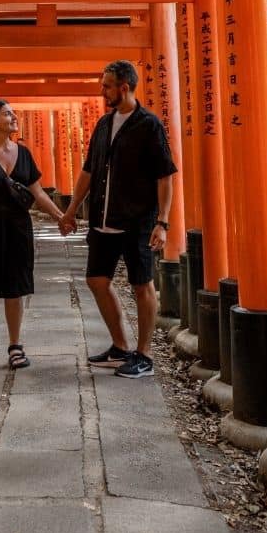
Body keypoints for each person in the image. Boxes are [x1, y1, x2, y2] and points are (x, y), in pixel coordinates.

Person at [59, 60, 176, 379]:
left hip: (137, 219)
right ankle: (121, 346)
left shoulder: (148, 125)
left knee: (142, 285)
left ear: (123, 88)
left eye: (107, 85)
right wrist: (70, 211)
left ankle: (144, 355)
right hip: (101, 218)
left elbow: (164, 176)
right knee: (97, 280)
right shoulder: (102, 125)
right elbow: (88, 171)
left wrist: (162, 222)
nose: (102, 90)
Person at [0, 99, 66, 375]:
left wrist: (61, 217)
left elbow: (38, 193)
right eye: (7, 114)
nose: (13, 117)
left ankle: (15, 346)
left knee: (15, 290)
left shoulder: (23, 153)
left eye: (13, 112)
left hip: (19, 230)